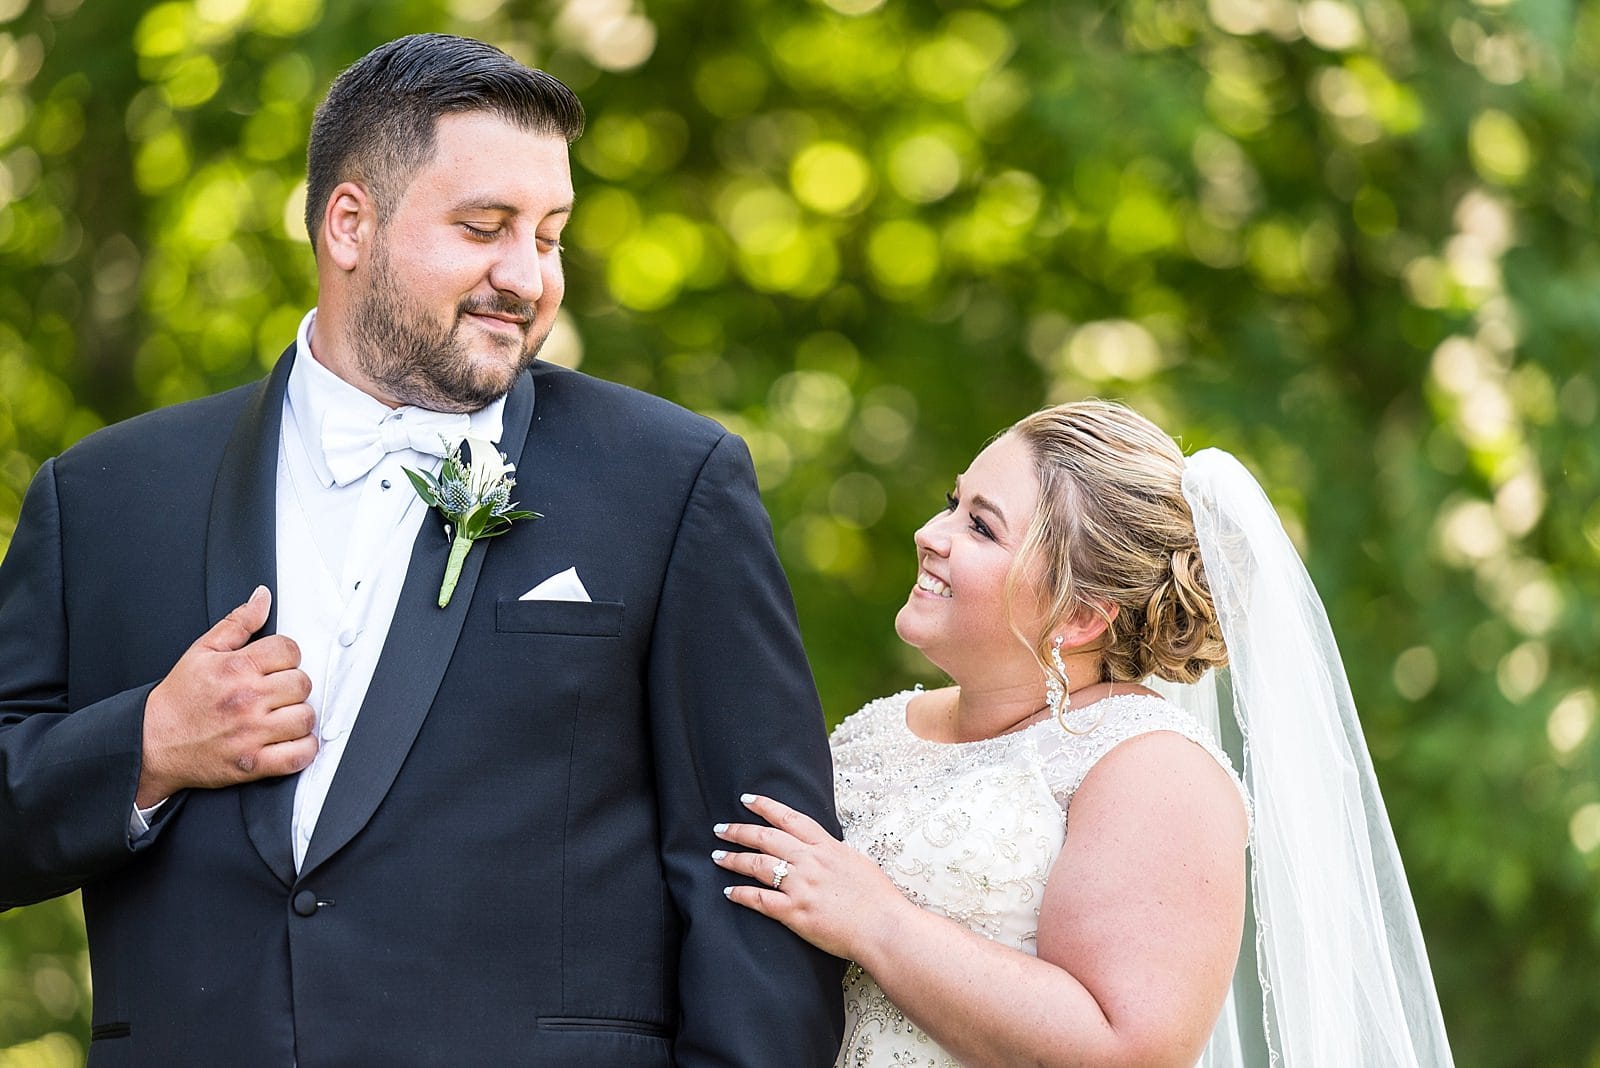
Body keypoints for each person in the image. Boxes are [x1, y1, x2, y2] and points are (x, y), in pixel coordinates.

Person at [0, 33, 844, 1066]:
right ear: (348, 223)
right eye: (484, 228)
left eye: (550, 234)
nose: (527, 277)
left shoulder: (670, 482)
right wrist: (145, 749)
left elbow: (760, 870)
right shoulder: (103, 497)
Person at [713, 401, 1456, 1066]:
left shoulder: (1153, 770)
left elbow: (1127, 1050)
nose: (929, 534)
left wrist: (876, 922)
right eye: (953, 502)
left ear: (1077, 617)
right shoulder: (881, 728)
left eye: (980, 525)